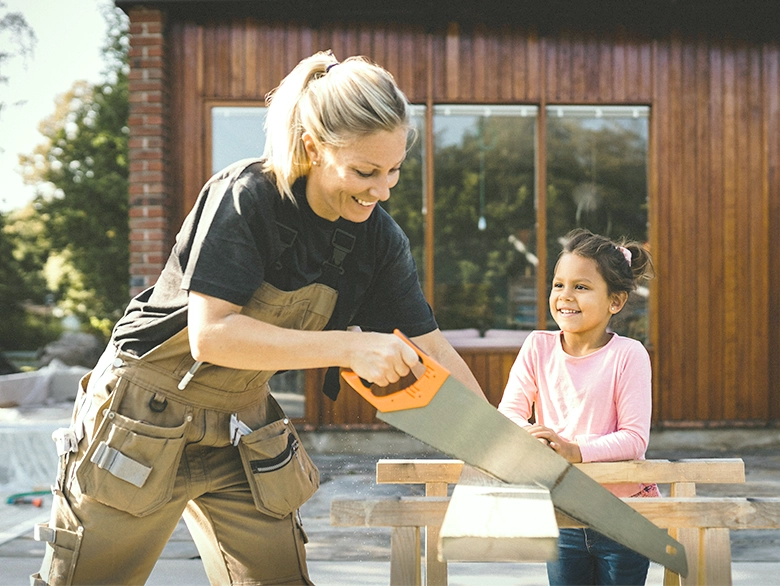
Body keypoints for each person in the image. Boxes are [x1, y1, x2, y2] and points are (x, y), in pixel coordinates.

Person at [33, 51, 484, 586]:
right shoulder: (246, 196)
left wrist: (498, 441)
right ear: (314, 147)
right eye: (364, 171)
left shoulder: (378, 238)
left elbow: (433, 348)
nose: (382, 190)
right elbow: (211, 335)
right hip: (141, 419)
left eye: (393, 171)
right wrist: (349, 347)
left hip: (240, 427)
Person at [498, 228, 657, 586]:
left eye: (581, 287)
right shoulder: (537, 348)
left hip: (625, 515)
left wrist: (574, 450)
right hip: (563, 513)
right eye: (558, 285)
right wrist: (531, 435)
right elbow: (507, 413)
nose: (565, 296)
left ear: (615, 302)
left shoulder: (628, 355)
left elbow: (634, 440)